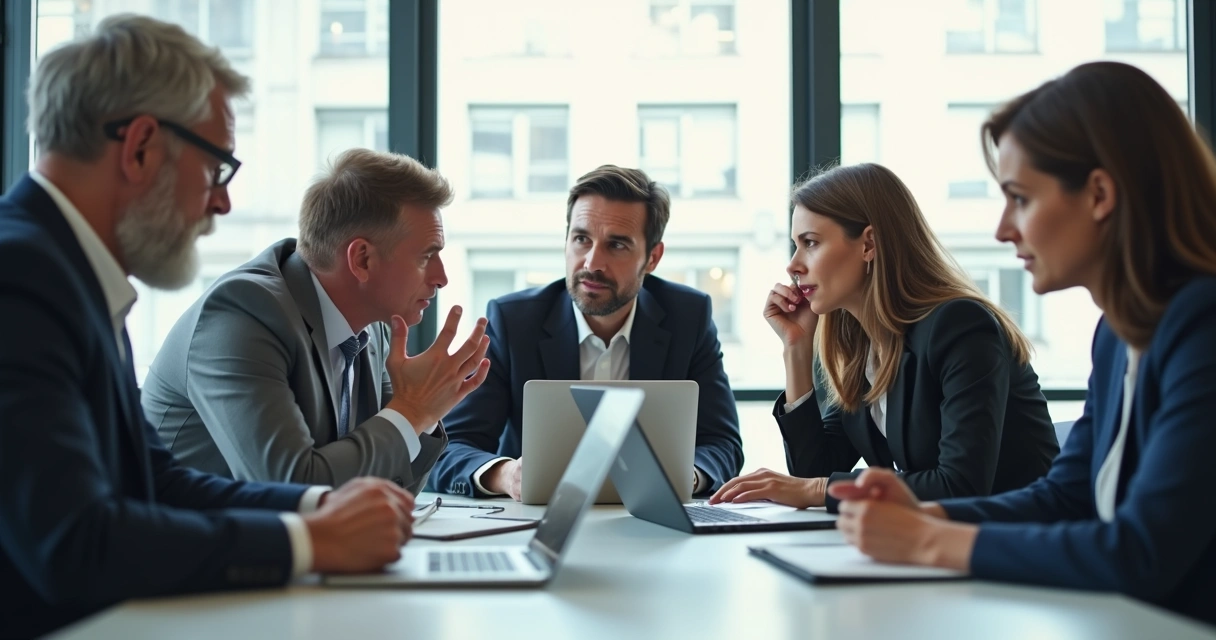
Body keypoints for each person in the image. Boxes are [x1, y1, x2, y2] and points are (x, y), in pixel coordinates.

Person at [0, 16, 415, 638]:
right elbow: (75, 545)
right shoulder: (21, 277)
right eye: (216, 167)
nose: (221, 202)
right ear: (141, 147)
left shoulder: (65, 271)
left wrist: (317, 506)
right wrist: (307, 541)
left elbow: (152, 480)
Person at [828, 62, 1216, 625]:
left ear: (1100, 194)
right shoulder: (1118, 335)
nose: (1003, 229)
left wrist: (928, 542)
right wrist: (925, 511)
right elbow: (1065, 497)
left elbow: (1142, 552)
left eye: (1021, 199)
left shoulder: (1202, 326)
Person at [710, 163, 1058, 512]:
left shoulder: (958, 325)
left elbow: (959, 485)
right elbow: (813, 470)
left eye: (810, 243)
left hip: (1021, 545)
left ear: (869, 244)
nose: (793, 265)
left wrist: (817, 488)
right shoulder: (865, 346)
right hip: (942, 544)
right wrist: (796, 349)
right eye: (795, 245)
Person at [142, 148, 489, 490]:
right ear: (362, 260)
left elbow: (389, 487)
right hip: (188, 541)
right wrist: (412, 412)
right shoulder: (242, 314)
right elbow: (291, 488)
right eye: (427, 257)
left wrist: (422, 415)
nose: (442, 277)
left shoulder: (376, 325)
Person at [429, 165, 744, 499]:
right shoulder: (513, 321)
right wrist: (507, 476)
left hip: (651, 526)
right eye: (581, 239)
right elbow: (451, 448)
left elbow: (722, 444)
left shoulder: (688, 318)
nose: (593, 263)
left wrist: (686, 478)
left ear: (652, 258)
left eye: (617, 245)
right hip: (537, 521)